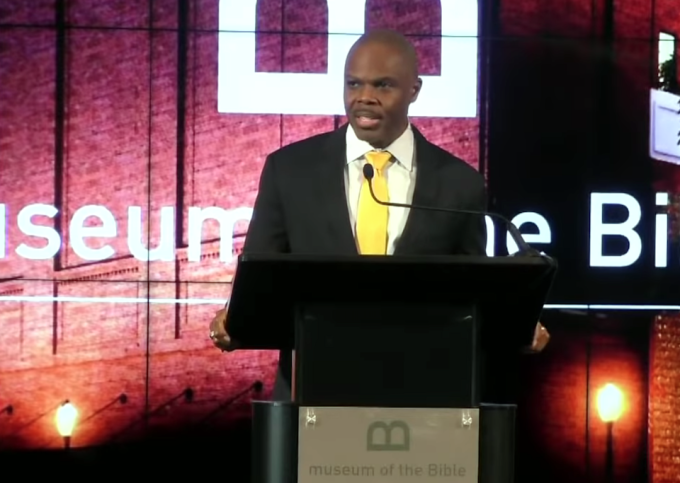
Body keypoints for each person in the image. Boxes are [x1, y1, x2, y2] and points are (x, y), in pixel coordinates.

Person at [208, 29, 549, 400]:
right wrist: (233, 324)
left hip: (421, 402)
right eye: (354, 84)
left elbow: (467, 304)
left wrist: (514, 328)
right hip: (313, 395)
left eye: (383, 85)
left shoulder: (460, 184)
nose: (364, 98)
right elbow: (261, 280)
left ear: (414, 90)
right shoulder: (288, 171)